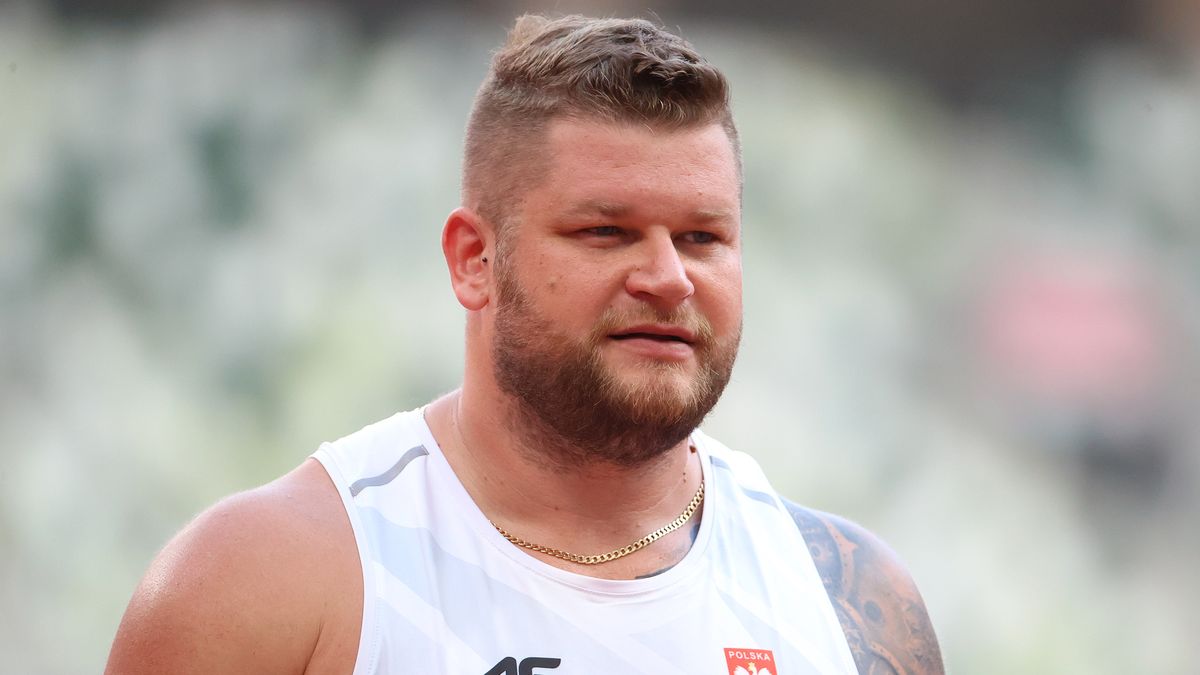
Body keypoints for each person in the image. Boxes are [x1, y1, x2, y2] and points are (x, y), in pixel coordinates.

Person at [106, 14, 943, 675]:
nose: (667, 277)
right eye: (605, 231)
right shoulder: (268, 576)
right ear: (475, 259)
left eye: (701, 237)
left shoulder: (851, 599)